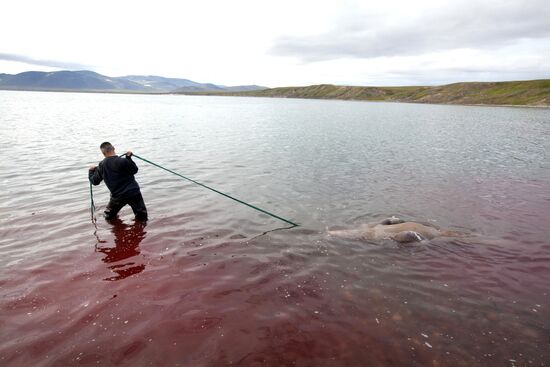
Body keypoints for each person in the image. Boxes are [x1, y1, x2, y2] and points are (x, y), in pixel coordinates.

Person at [89, 142, 148, 221]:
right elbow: (134, 170)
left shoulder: (102, 165)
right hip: (133, 192)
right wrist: (128, 158)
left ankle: (116, 230)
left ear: (103, 153)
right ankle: (141, 231)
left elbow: (94, 181)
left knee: (108, 217)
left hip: (118, 196)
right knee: (142, 217)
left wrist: (91, 172)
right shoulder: (123, 161)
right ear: (113, 148)